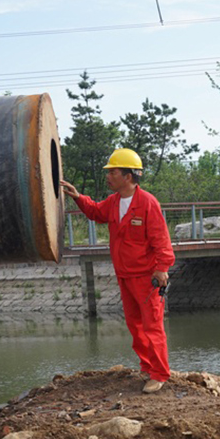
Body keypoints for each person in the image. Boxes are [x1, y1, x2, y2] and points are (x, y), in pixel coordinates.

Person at [60, 148, 175, 394]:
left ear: (128, 175)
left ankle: (159, 374)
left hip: (147, 277)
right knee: (136, 326)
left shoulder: (147, 203)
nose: (108, 176)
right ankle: (147, 366)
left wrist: (162, 269)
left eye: (112, 172)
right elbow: (95, 212)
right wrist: (78, 197)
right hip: (124, 274)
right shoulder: (113, 202)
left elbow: (160, 239)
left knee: (152, 326)